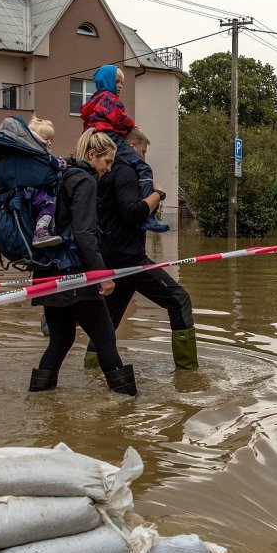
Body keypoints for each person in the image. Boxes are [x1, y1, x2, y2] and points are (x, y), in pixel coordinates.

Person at [29, 128, 137, 395]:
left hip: (49, 273)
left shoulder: (62, 175)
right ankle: (128, 402)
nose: (108, 169)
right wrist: (102, 274)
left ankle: (39, 399)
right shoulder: (85, 181)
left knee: (61, 340)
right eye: (107, 161)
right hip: (76, 276)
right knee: (105, 338)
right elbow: (84, 233)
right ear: (92, 155)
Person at [85, 126, 198, 371]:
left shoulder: (106, 172)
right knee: (179, 300)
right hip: (128, 258)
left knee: (107, 322)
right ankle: (189, 374)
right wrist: (158, 194)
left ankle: (92, 371)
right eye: (143, 152)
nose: (144, 158)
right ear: (133, 147)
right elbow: (132, 211)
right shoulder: (125, 170)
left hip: (110, 257)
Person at [80, 64, 170, 232]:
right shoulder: (109, 99)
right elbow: (118, 118)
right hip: (111, 138)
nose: (120, 86)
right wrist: (130, 126)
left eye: (122, 82)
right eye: (117, 81)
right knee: (144, 168)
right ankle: (148, 216)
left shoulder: (94, 100)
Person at [26, 117, 64, 248]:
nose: (49, 142)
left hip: (29, 190)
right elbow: (54, 163)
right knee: (48, 205)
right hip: (37, 191)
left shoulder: (27, 152)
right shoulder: (40, 154)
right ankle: (40, 233)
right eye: (46, 138)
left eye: (51, 140)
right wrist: (62, 163)